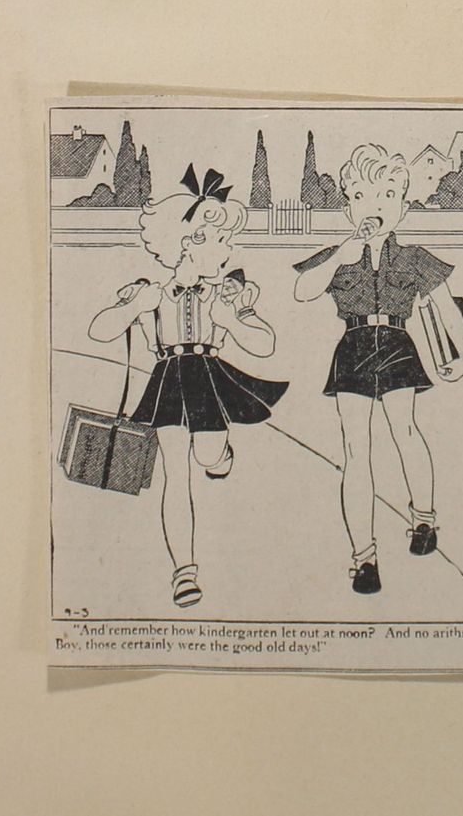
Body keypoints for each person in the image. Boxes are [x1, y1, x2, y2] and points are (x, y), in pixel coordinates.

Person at [90, 166, 284, 609]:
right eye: (220, 240)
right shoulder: (151, 293)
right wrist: (132, 308)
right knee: (175, 473)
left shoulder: (225, 295)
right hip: (168, 380)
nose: (228, 249)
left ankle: (220, 458)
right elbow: (99, 330)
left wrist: (231, 319)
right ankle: (184, 572)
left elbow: (265, 343)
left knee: (208, 453)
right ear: (189, 242)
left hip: (208, 379)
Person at [293, 144, 453, 595]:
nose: (374, 206)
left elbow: (445, 303)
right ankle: (364, 557)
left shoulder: (414, 256)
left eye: (386, 195)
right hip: (354, 344)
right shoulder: (339, 254)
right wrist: (338, 257)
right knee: (355, 448)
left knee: (406, 431)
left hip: (399, 343)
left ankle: (424, 519)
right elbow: (303, 290)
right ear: (349, 205)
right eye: (362, 196)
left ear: (403, 205)